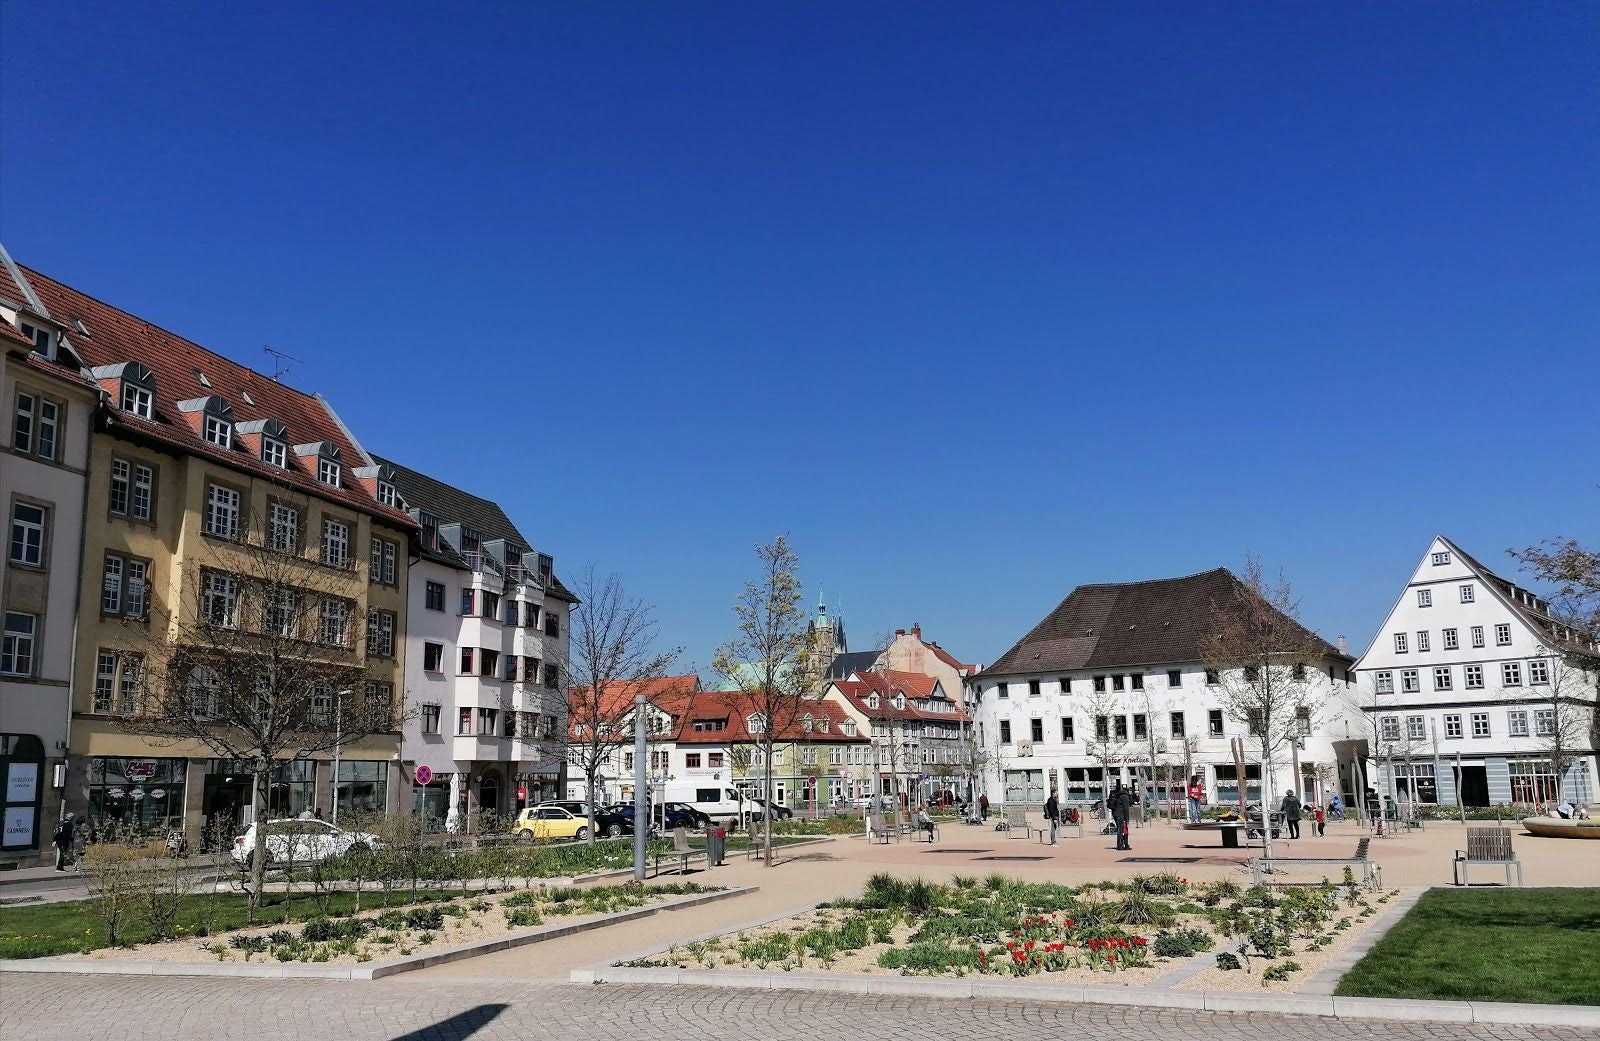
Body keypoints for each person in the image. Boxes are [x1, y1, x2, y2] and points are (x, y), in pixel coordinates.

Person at [1108, 781, 1132, 851]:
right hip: (1120, 814)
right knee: (1120, 830)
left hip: (1115, 813)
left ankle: (1123, 844)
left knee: (1120, 829)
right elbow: (1126, 808)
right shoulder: (1125, 797)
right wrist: (1127, 820)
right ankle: (1120, 845)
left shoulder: (1118, 795)